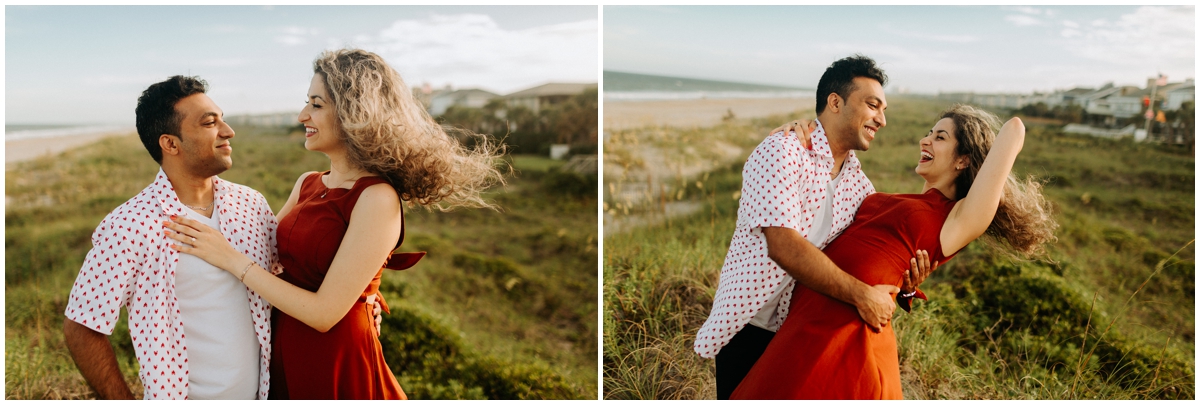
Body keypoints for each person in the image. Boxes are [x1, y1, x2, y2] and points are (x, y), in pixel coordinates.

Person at [163, 48, 504, 399]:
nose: (302, 115)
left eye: (316, 104)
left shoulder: (377, 197)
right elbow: (258, 255)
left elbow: (324, 313)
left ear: (356, 112)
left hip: (333, 357)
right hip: (282, 347)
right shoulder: (308, 183)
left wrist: (231, 259)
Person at [731, 106, 1056, 399]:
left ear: (963, 159)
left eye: (940, 137)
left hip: (850, 332)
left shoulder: (956, 219)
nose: (924, 141)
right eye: (928, 133)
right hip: (809, 313)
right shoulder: (887, 195)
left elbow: (1013, 129)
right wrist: (807, 131)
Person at [695, 55, 933, 399]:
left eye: (884, 110)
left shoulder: (860, 187)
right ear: (835, 102)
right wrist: (862, 295)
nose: (881, 119)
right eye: (872, 105)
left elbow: (862, 257)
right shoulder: (783, 151)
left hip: (804, 331)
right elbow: (784, 246)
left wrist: (906, 286)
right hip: (748, 326)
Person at [61, 75, 277, 400]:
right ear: (171, 144)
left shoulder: (252, 204)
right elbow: (81, 326)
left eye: (222, 119)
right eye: (209, 123)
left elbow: (282, 278)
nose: (228, 131)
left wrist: (359, 300)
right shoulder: (130, 224)